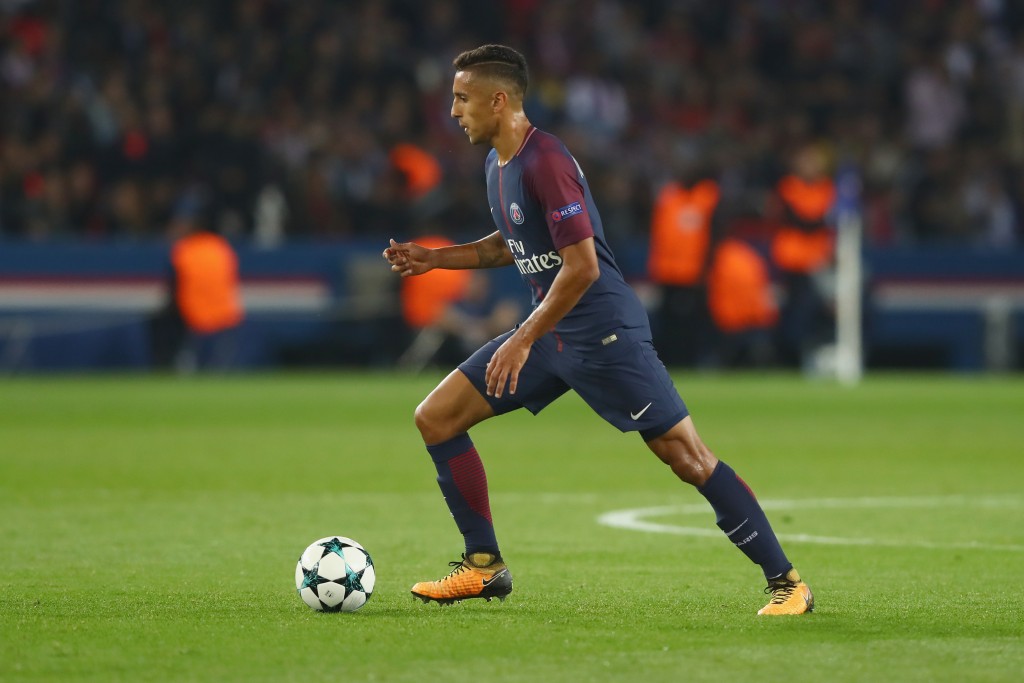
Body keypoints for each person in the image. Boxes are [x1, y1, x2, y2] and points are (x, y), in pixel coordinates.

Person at [383, 45, 813, 616]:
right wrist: (437, 259)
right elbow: (509, 245)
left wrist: (521, 337)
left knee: (686, 457)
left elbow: (581, 266)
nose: (454, 111)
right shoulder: (498, 164)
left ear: (498, 99)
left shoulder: (546, 162)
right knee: (436, 417)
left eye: (461, 99)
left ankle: (788, 583)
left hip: (605, 333)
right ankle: (483, 566)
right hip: (551, 333)